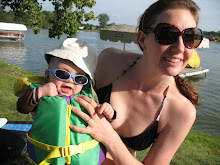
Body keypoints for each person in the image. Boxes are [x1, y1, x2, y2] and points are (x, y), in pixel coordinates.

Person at [69, 0, 203, 164]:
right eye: (167, 34)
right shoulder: (110, 61)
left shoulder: (181, 111)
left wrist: (109, 136)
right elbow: (68, 92)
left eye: (190, 37)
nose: (180, 48)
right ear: (142, 39)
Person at [16, 38, 115, 121]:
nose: (70, 80)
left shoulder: (86, 98)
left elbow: (101, 121)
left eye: (80, 78)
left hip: (79, 144)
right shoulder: (42, 93)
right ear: (47, 75)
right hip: (48, 144)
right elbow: (21, 108)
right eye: (62, 74)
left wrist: (109, 112)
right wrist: (39, 92)